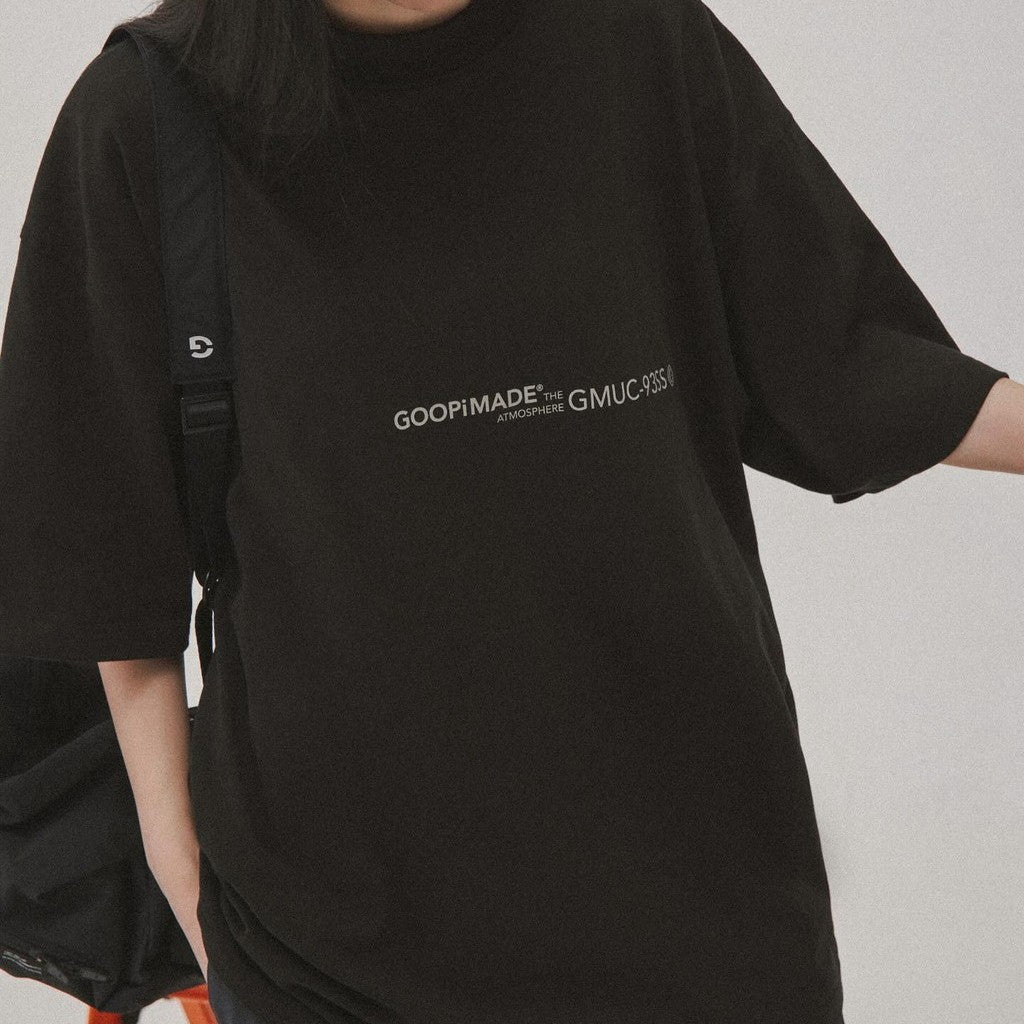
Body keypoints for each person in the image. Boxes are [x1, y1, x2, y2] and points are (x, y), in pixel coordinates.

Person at [0, 0, 1020, 1022]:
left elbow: (845, 357)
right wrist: (182, 868)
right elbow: (100, 544)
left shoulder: (639, 40)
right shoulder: (148, 117)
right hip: (338, 953)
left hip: (705, 909)